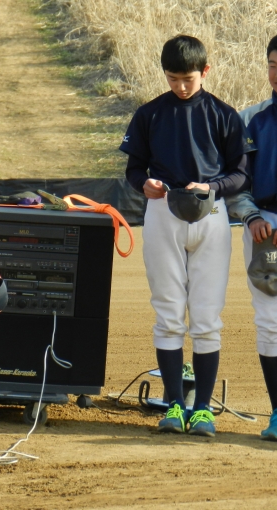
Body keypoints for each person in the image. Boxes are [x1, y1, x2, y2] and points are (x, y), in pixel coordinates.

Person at [119, 35, 255, 437]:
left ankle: (203, 409)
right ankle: (175, 405)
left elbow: (241, 174)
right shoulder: (149, 114)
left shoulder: (224, 115)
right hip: (163, 212)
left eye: (188, 78)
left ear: (205, 72)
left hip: (210, 213)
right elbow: (133, 169)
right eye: (173, 78)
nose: (180, 86)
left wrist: (211, 187)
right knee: (167, 311)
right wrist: (143, 184)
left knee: (207, 317)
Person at [226, 34, 277, 440]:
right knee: (271, 322)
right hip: (265, 229)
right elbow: (236, 182)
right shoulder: (250, 120)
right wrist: (251, 216)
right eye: (273, 65)